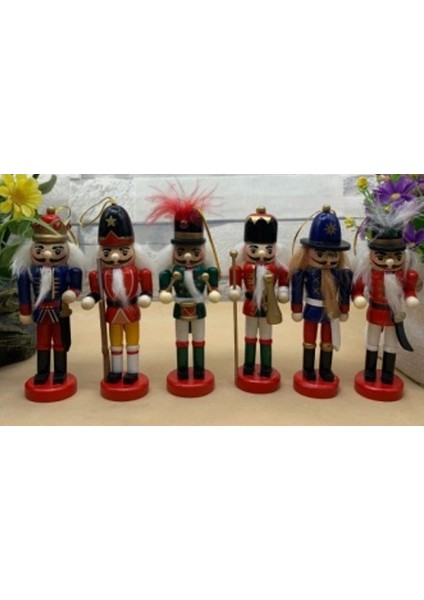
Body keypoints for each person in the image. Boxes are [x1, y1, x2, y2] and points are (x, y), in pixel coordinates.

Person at [147, 183, 220, 396]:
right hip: (180, 308)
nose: (187, 256)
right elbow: (165, 291)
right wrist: (165, 291)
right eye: (181, 251)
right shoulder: (171, 272)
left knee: (199, 340)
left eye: (194, 251)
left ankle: (198, 369)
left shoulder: (206, 271)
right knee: (181, 341)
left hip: (198, 309)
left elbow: (213, 289)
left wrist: (213, 290)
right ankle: (181, 369)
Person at [13, 207, 84, 400]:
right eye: (40, 249)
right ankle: (42, 372)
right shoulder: (29, 272)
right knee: (42, 343)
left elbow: (76, 287)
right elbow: (24, 293)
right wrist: (25, 311)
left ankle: (60, 372)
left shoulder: (69, 270)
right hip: (41, 313)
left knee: (60, 343)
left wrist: (72, 293)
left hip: (59, 312)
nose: (46, 254)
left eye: (56, 250)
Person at [82, 203, 153, 394]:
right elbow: (96, 293)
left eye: (123, 251)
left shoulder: (139, 271)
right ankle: (115, 370)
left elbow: (147, 289)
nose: (114, 257)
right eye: (107, 252)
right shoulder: (99, 273)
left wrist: (146, 296)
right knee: (115, 344)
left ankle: (132, 370)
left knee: (132, 343)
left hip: (131, 311)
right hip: (112, 312)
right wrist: (92, 298)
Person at [289, 206, 352, 395]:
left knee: (327, 342)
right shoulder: (304, 273)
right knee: (309, 341)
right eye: (320, 254)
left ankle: (325, 369)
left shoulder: (341, 274)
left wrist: (344, 309)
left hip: (330, 312)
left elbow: (345, 292)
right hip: (312, 309)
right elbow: (297, 290)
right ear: (307, 252)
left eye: (333, 254)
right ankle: (308, 368)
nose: (327, 260)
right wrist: (296, 308)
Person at [229, 207, 288, 390]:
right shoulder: (243, 267)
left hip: (269, 306)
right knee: (249, 336)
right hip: (250, 304)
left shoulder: (276, 268)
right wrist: (235, 289)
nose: (261, 253)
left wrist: (283, 291)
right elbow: (235, 281)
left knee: (266, 337)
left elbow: (284, 281)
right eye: (255, 249)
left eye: (268, 249)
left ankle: (266, 366)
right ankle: (248, 364)